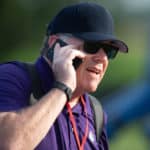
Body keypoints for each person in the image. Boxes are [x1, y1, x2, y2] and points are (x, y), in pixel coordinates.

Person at [0, 2, 128, 150]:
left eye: (109, 50)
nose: (102, 57)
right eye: (92, 46)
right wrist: (62, 88)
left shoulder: (95, 113)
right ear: (55, 44)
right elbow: (8, 144)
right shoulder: (13, 77)